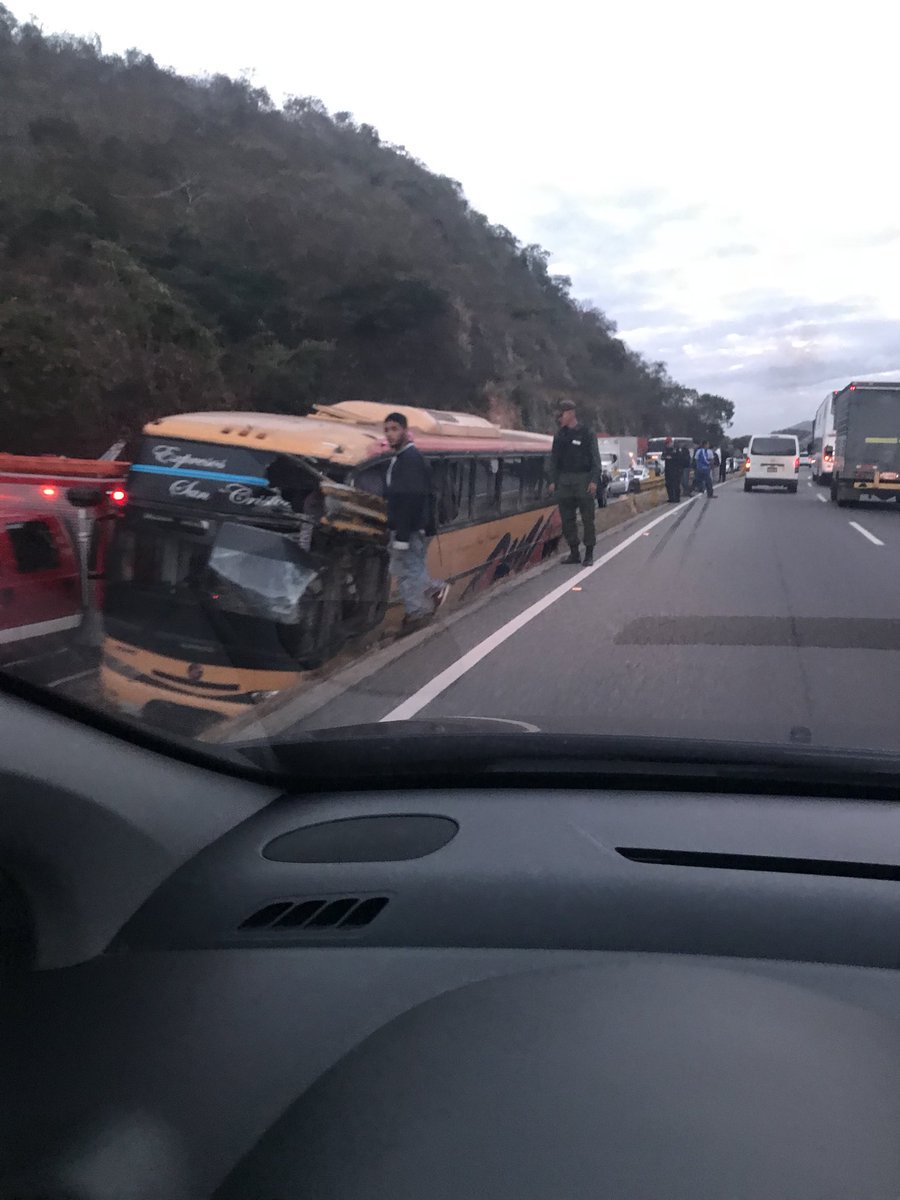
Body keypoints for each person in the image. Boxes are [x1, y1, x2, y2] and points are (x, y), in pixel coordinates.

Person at [383, 412, 448, 632]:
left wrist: (401, 535)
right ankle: (416, 611)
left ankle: (427, 599)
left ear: (404, 430)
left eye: (394, 429)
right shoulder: (403, 458)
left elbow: (409, 498)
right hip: (410, 528)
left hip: (409, 530)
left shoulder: (409, 460)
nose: (390, 434)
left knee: (408, 571)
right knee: (406, 571)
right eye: (387, 430)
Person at [548, 399, 601, 565]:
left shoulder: (586, 433)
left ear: (571, 413)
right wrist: (552, 481)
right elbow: (554, 460)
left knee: (587, 518)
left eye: (562, 415)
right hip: (565, 480)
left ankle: (589, 553)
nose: (559, 419)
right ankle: (574, 552)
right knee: (567, 519)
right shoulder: (560, 435)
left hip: (583, 479)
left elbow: (595, 460)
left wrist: (593, 481)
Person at [661, 436, 681, 503]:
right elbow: (662, 457)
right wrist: (666, 457)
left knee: (676, 484)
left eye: (669, 443)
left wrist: (671, 457)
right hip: (668, 470)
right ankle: (671, 498)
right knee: (668, 484)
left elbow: (679, 458)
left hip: (675, 470)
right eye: (667, 443)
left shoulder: (676, 449)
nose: (668, 445)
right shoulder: (665, 450)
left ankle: (677, 498)